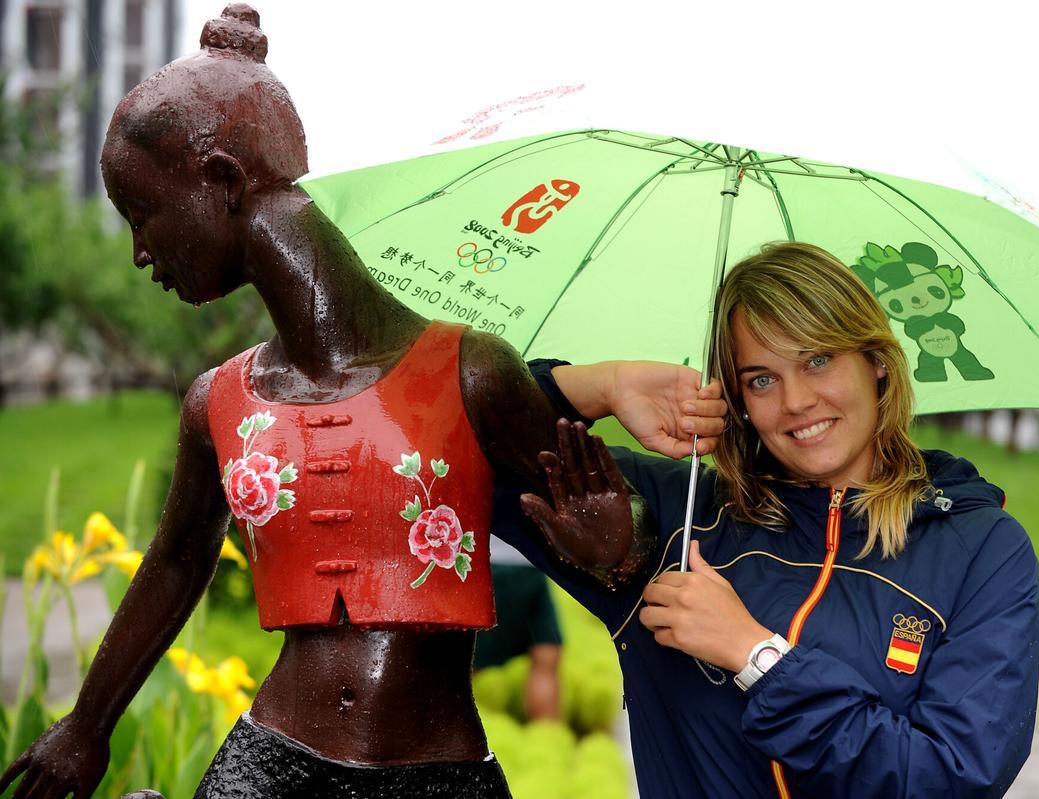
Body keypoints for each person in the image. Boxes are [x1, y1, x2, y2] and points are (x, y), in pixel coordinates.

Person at [0, 6, 703, 798]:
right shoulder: (218, 403)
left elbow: (625, 544)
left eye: (143, 214)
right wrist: (86, 726)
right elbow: (177, 559)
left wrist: (617, 543)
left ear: (223, 181)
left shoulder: (471, 374)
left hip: (440, 777)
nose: (138, 253)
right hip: (270, 767)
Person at [508, 241, 1039, 798]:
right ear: (736, 398)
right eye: (761, 378)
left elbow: (954, 779)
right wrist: (598, 386)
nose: (796, 401)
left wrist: (757, 657)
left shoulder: (982, 548)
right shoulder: (682, 520)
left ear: (877, 361)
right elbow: (456, 447)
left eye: (818, 360)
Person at [473, 537, 564, 721]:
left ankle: (547, 736)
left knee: (547, 653)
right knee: (468, 661)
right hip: (494, 561)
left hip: (531, 566)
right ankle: (432, 726)